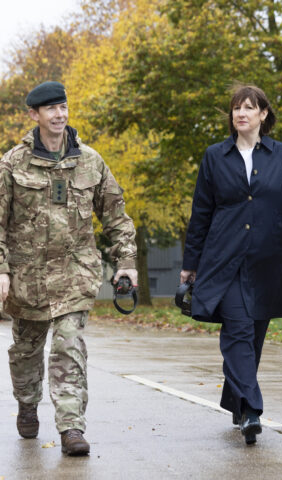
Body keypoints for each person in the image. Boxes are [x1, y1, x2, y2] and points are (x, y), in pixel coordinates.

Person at [0, 81, 137, 455]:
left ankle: (71, 428)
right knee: (26, 350)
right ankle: (27, 403)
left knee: (68, 344)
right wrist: (2, 270)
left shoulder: (90, 161)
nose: (59, 115)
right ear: (34, 115)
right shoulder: (13, 163)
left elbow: (116, 216)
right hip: (28, 279)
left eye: (63, 107)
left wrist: (126, 263)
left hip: (75, 276)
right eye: (51, 109)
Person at [180, 85, 282, 445]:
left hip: (267, 262)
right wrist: (189, 264)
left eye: (249, 108)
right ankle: (253, 410)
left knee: (254, 336)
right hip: (224, 260)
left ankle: (236, 401)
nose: (241, 113)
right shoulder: (214, 157)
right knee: (237, 330)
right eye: (236, 108)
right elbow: (201, 213)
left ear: (263, 115)